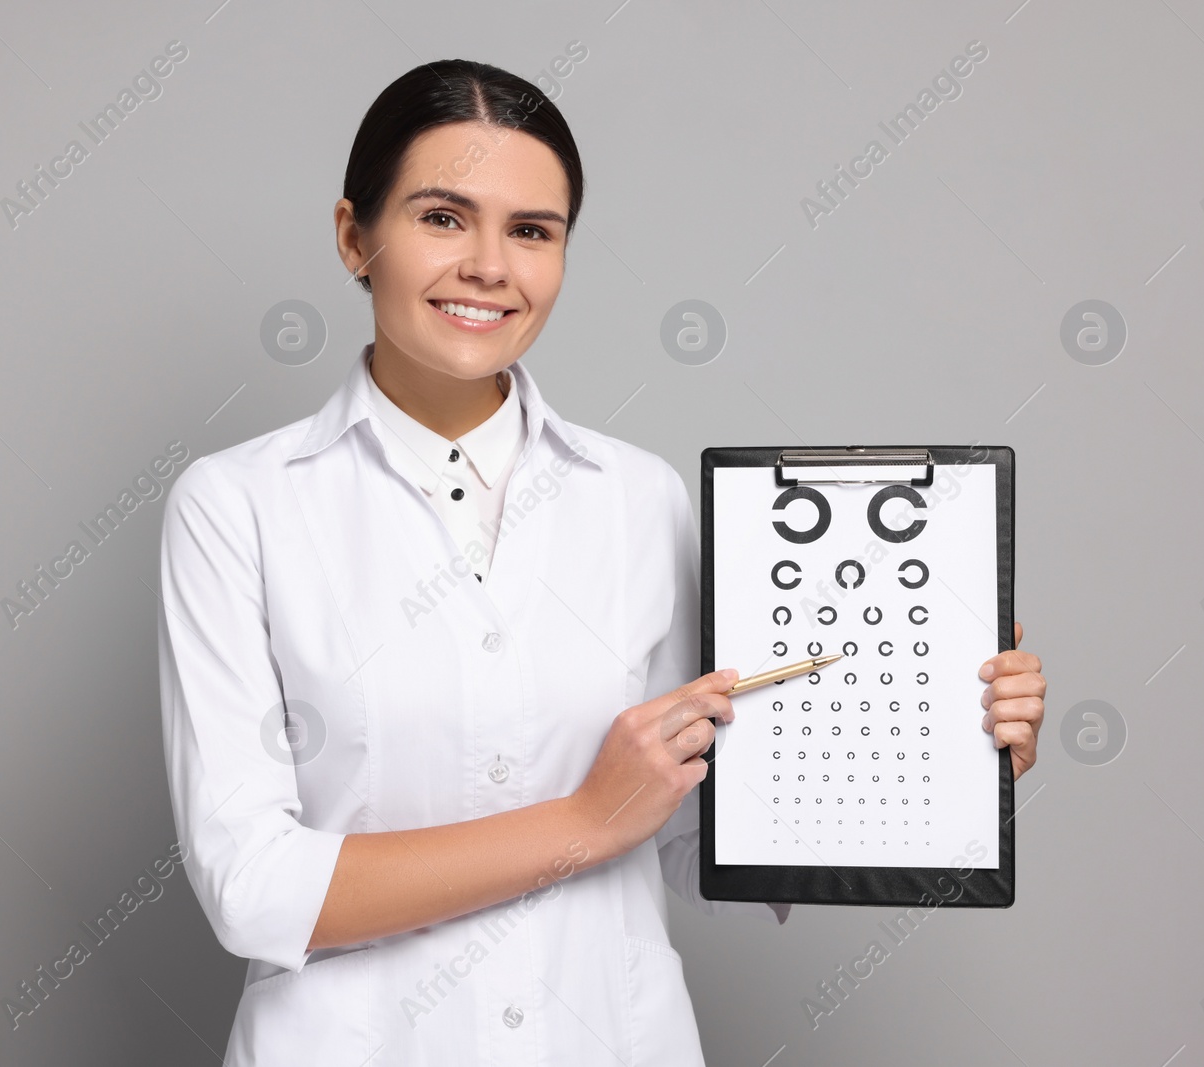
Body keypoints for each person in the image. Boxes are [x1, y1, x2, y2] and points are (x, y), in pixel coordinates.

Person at [156, 58, 1047, 1066]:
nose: (491, 265)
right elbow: (253, 887)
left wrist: (941, 751)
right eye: (443, 217)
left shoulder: (638, 496)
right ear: (354, 235)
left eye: (532, 230)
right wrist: (584, 819)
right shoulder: (238, 505)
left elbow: (697, 830)